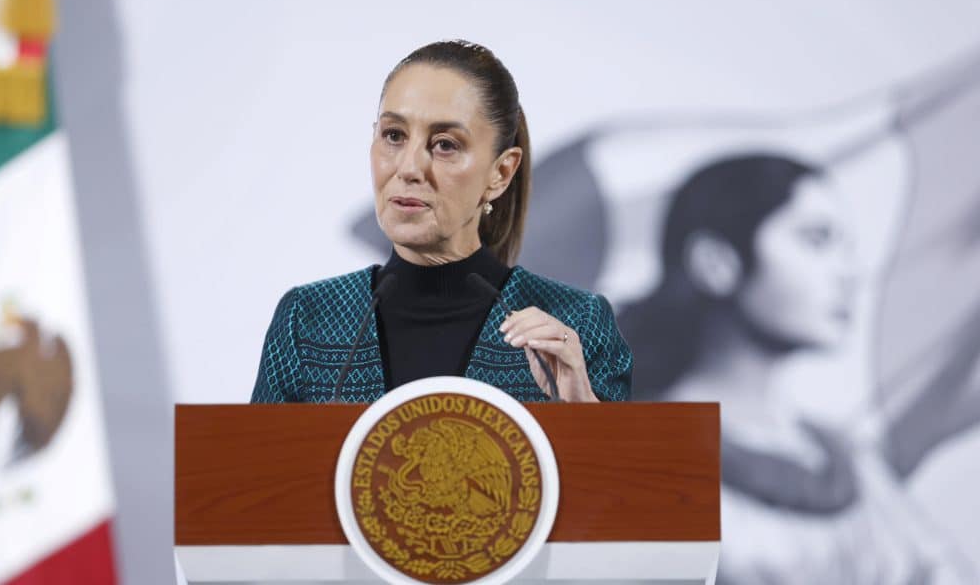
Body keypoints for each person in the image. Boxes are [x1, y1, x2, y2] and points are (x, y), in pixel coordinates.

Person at [618, 153, 976, 584]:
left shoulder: (855, 467)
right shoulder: (631, 463)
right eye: (816, 240)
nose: (847, 272)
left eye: (846, 247)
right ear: (716, 262)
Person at [251, 40, 631, 404]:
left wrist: (582, 408)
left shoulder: (575, 322)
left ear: (500, 172)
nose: (409, 167)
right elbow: (253, 469)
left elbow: (626, 470)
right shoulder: (308, 319)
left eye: (445, 144)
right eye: (394, 135)